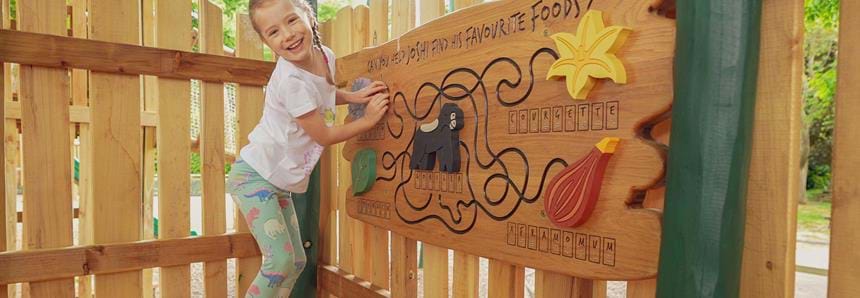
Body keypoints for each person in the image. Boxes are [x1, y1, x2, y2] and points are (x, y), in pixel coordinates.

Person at [227, 0, 389, 296]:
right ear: (266, 42)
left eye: (291, 20)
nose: (287, 35)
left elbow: (322, 94)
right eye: (274, 32)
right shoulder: (290, 81)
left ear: (309, 15)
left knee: (296, 262)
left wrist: (354, 97)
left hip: (277, 180)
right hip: (254, 177)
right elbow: (323, 135)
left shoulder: (325, 56)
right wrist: (367, 121)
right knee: (279, 262)